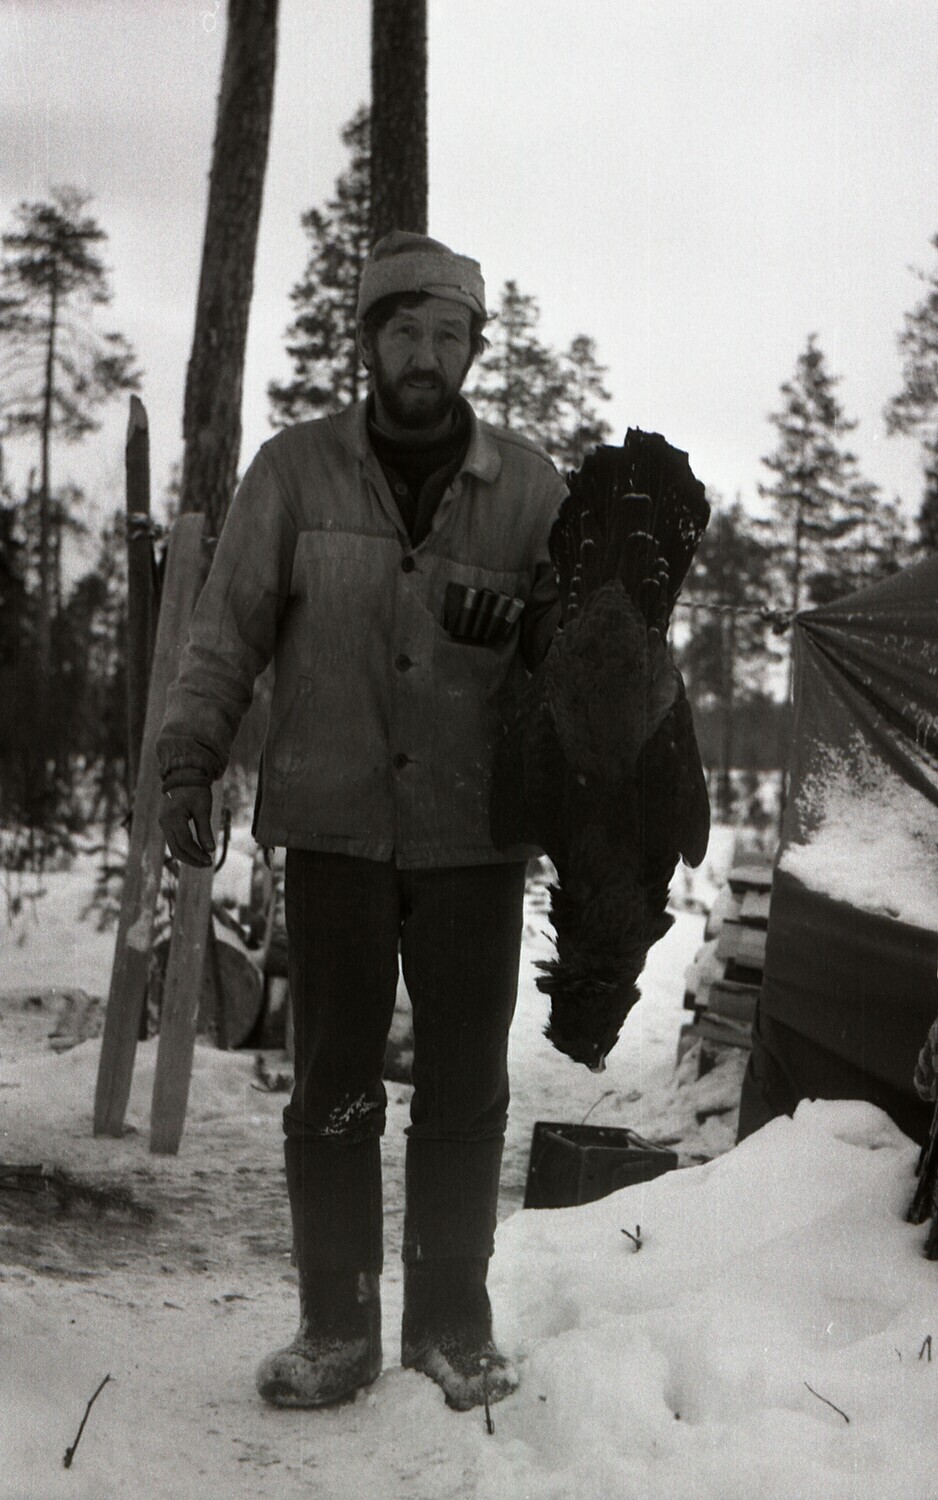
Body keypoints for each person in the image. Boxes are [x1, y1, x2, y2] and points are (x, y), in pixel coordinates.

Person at [157, 231, 566, 1412]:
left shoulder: (530, 493)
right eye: (403, 332)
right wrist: (192, 764)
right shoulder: (290, 475)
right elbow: (224, 635)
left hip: (472, 839)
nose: (424, 355)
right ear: (368, 342)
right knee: (331, 1077)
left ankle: (451, 1324)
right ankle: (334, 1326)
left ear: (474, 350)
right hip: (331, 827)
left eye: (447, 335)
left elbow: (583, 675)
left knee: (464, 1085)